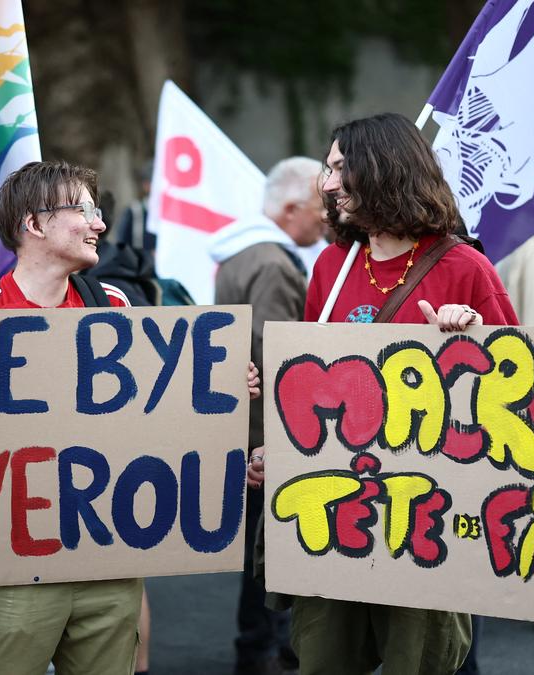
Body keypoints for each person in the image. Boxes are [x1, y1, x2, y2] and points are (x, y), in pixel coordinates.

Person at [0, 160, 260, 675]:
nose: (99, 224)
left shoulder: (112, 307)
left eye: (96, 210)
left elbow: (154, 418)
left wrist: (215, 390)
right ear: (34, 225)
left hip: (107, 560)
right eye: (82, 210)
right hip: (15, 572)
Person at [250, 113, 514, 675]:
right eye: (326, 169)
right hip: (340, 511)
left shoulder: (467, 269)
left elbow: (519, 399)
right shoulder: (331, 266)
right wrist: (280, 448)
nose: (326, 184)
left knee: (427, 660)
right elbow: (311, 387)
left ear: (383, 170)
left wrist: (471, 342)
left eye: (340, 168)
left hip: (429, 517)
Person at [209, 156, 326, 675]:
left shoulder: (238, 255)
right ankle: (267, 651)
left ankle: (255, 647)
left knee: (256, 550)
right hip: (267, 432)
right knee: (269, 550)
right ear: (291, 206)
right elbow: (278, 353)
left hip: (242, 425)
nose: (326, 218)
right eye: (320, 206)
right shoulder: (275, 264)